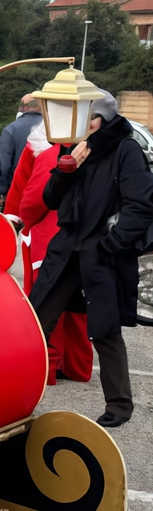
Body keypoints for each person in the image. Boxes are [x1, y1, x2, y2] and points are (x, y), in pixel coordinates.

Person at [30, 91, 153, 428]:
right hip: (68, 247)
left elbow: (140, 204)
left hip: (101, 251)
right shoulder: (74, 147)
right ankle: (17, 391)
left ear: (104, 118)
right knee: (37, 319)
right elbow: (51, 200)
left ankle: (119, 404)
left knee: (105, 328)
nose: (84, 126)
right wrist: (65, 169)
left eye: (90, 118)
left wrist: (113, 243)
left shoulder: (126, 149)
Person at [4, 121, 92, 386]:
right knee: (76, 304)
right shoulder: (92, 146)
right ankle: (77, 363)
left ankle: (49, 364)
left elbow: (29, 198)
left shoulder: (45, 150)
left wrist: (18, 220)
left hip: (46, 234)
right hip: (83, 234)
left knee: (45, 301)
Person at [0, 95, 43, 198]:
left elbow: (4, 165)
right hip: (46, 188)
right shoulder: (53, 128)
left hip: (17, 189)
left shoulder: (11, 129)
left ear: (24, 108)